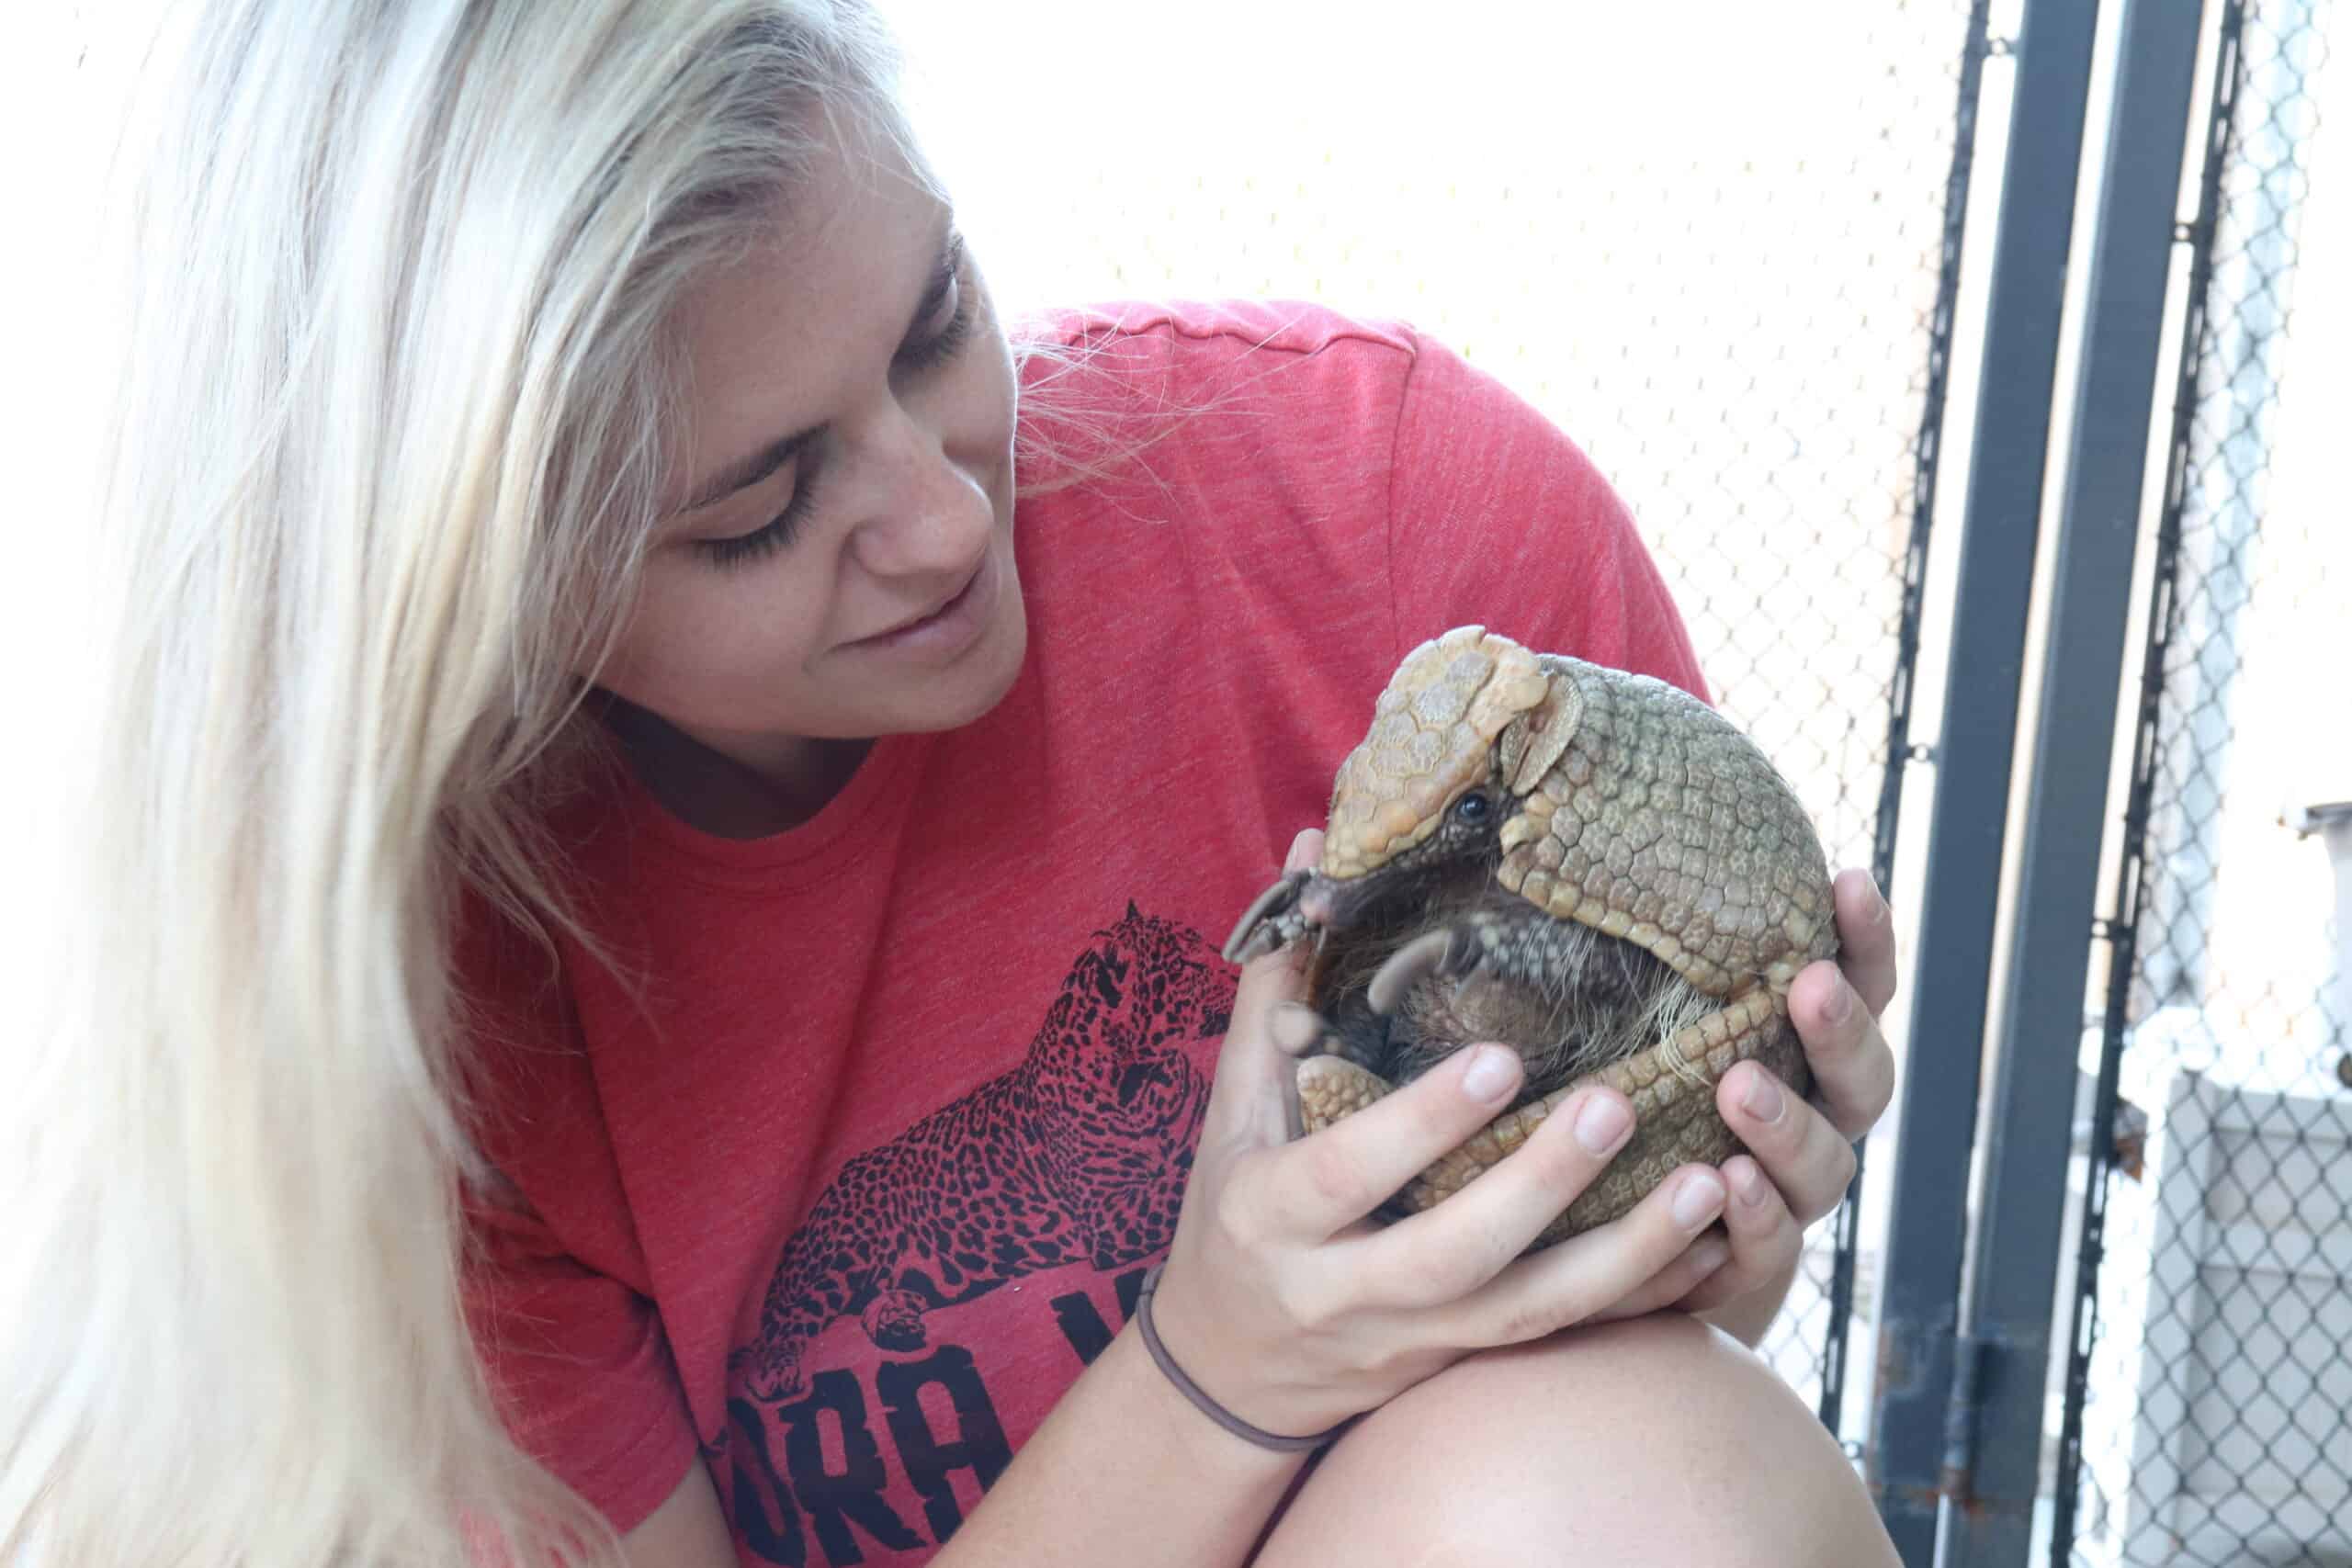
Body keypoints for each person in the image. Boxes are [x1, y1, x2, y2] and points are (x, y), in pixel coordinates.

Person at [13, 2, 1905, 1564]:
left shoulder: (1391, 510)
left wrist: (1686, 1218)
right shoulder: (422, 1028)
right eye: (760, 511)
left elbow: (1653, 1431)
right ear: (472, 608)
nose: (939, 516)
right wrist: (1213, 1368)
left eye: (933, 323)